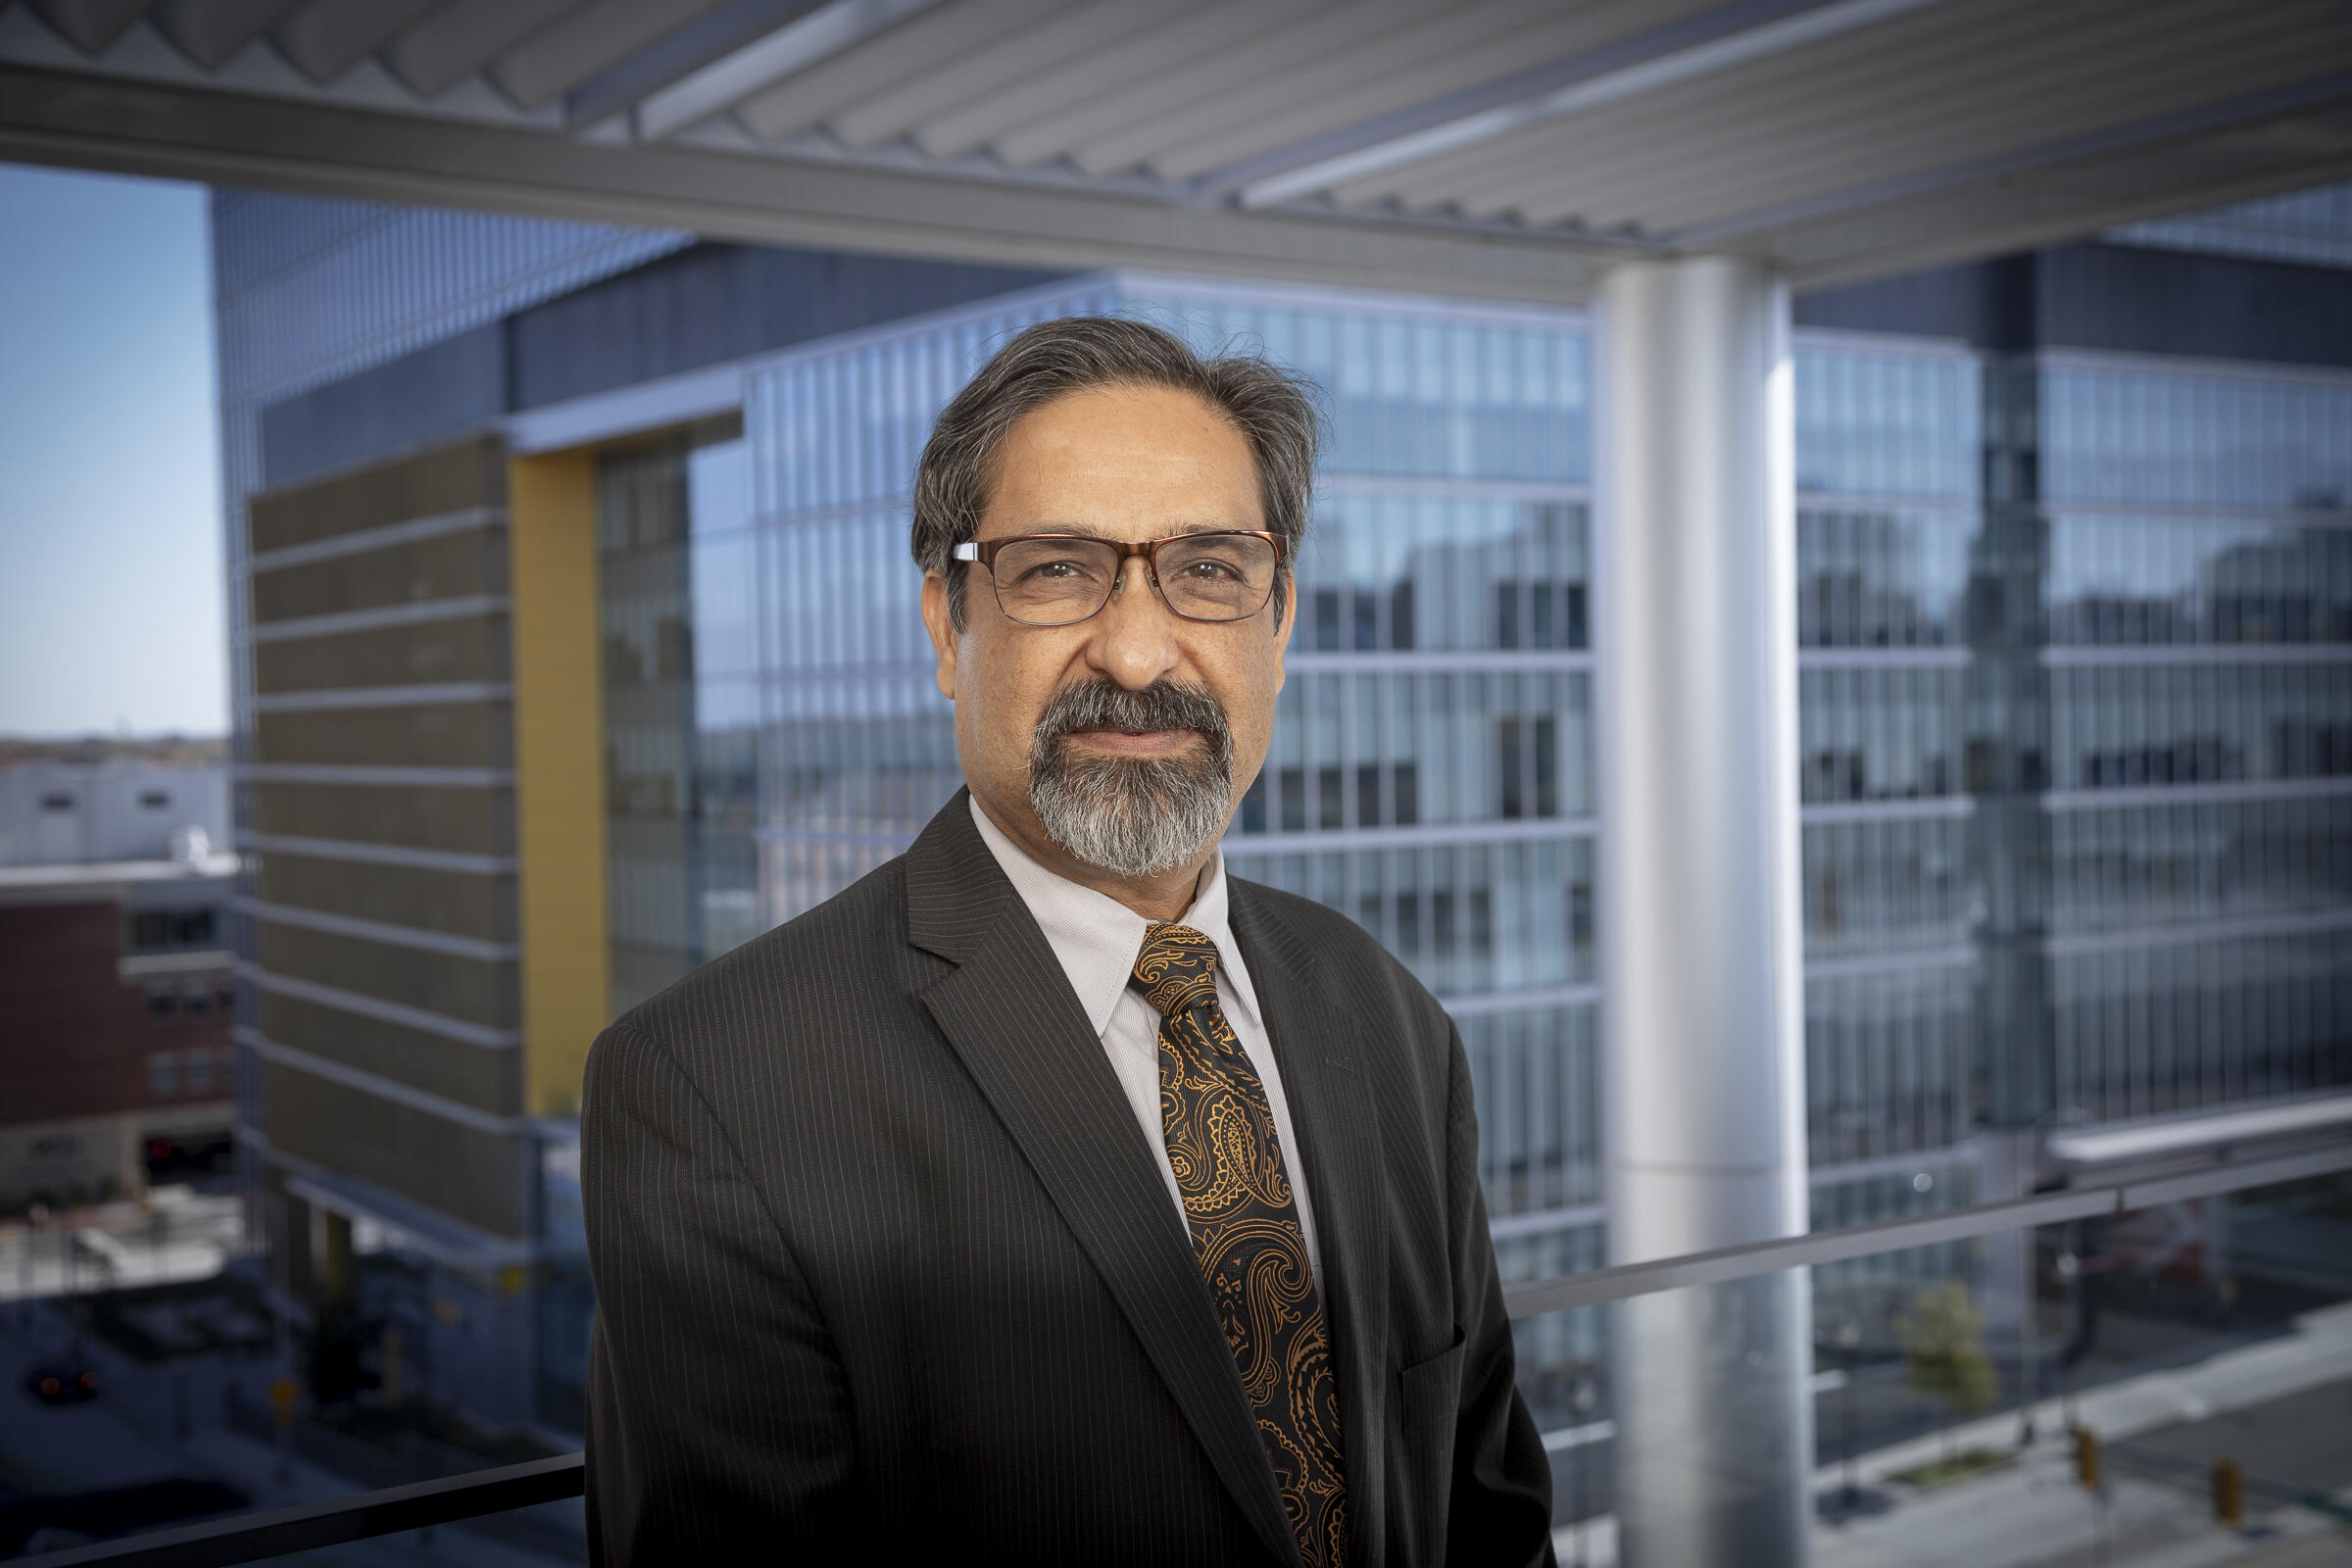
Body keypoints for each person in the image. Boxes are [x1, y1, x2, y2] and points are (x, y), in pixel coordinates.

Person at [583, 317, 1555, 1567]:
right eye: (1057, 570)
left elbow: (1486, 1507)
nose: (1141, 651)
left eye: (1209, 569)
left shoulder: (1382, 1010)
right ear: (948, 624)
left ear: (1281, 619)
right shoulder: (714, 1088)